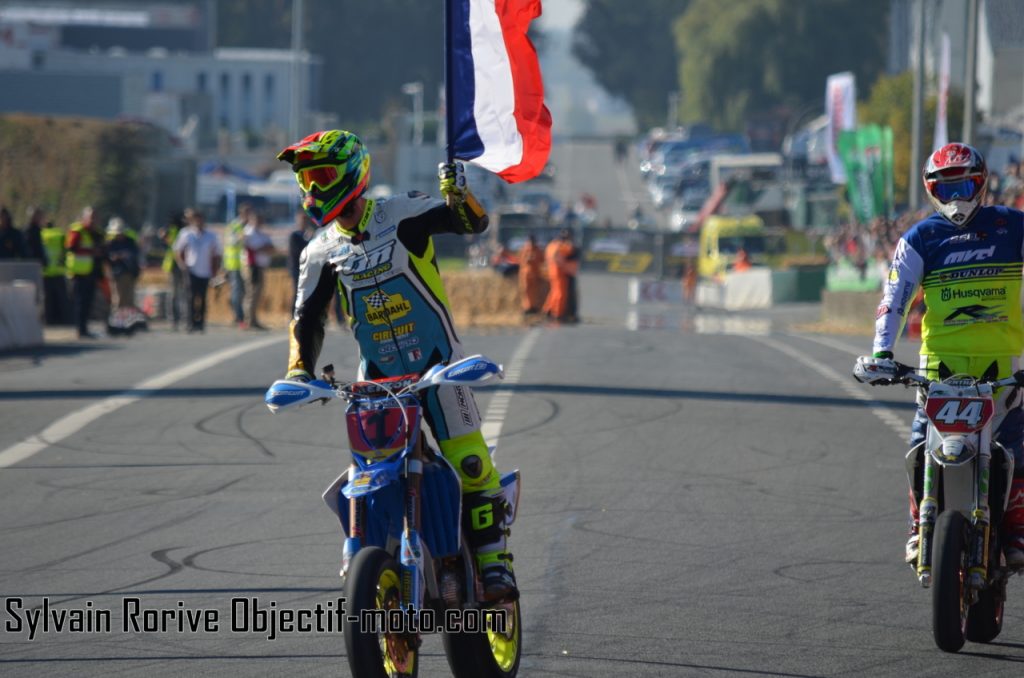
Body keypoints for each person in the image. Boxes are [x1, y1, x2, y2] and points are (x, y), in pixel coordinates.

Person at [276, 129, 517, 601]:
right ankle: (375, 557)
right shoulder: (319, 252)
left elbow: (469, 224)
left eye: (320, 175)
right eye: (305, 180)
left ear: (352, 173)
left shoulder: (401, 213)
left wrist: (459, 193)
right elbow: (306, 320)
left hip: (439, 367)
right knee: (366, 478)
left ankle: (493, 563)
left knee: (470, 461)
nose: (312, 190)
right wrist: (299, 371)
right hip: (378, 384)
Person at [856, 143, 1024, 568]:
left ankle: (1018, 525)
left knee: (1019, 447)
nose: (957, 198)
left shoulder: (1014, 227)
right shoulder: (920, 237)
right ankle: (919, 523)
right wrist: (881, 352)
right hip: (939, 370)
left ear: (982, 183)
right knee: (918, 446)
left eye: (965, 186)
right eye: (946, 189)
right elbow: (894, 298)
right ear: (932, 190)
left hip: (1006, 368)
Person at [174, 208, 221, 333]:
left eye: (201, 220)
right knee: (190, 297)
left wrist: (215, 270)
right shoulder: (186, 234)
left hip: (205, 271)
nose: (199, 222)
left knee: (203, 297)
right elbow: (178, 250)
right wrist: (182, 264)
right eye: (196, 220)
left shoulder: (211, 236)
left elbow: (216, 254)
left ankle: (200, 323)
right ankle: (190, 322)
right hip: (191, 270)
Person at [65, 206, 103, 339]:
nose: (93, 220)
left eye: (95, 217)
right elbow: (70, 248)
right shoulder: (77, 230)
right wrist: (91, 251)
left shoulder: (97, 233)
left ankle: (85, 328)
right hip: (79, 273)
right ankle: (80, 329)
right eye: (91, 217)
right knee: (80, 302)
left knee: (88, 302)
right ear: (84, 218)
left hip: (91, 272)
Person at [242, 211, 274, 330]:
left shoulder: (261, 234)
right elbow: (249, 247)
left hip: (260, 266)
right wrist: (261, 248)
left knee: (257, 293)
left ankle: (253, 319)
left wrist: (263, 248)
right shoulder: (248, 232)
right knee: (251, 293)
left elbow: (270, 248)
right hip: (252, 266)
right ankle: (249, 320)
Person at [223, 202, 251, 328]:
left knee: (246, 292)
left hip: (247, 264)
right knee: (236, 292)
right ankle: (238, 317)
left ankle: (245, 316)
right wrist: (240, 238)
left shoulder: (250, 226)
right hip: (234, 264)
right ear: (242, 214)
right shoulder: (234, 226)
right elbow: (229, 242)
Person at [105, 217, 140, 310]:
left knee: (129, 299)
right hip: (117, 274)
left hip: (129, 273)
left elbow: (134, 255)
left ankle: (129, 320)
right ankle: (117, 320)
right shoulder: (111, 244)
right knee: (117, 299)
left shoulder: (130, 242)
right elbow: (108, 258)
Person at [39, 216, 69, 324]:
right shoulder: (60, 234)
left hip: (45, 272)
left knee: (47, 299)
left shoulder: (41, 234)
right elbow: (65, 250)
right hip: (59, 271)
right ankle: (66, 319)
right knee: (62, 298)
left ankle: (48, 320)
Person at [160, 212, 186, 330]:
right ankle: (174, 318)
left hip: (184, 263)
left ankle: (181, 317)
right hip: (174, 264)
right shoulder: (174, 230)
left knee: (181, 293)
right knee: (175, 293)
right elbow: (164, 237)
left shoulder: (184, 230)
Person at [287, 208, 315, 301]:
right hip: (296, 268)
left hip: (307, 268)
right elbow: (297, 251)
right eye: (302, 219)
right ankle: (294, 314)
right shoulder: (294, 235)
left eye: (306, 219)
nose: (304, 221)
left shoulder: (310, 235)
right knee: (297, 292)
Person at [541, 231, 568, 321]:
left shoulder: (550, 246)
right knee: (560, 293)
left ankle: (547, 309)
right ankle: (557, 313)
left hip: (551, 271)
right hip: (558, 272)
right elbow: (560, 260)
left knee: (553, 292)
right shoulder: (559, 246)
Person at [517, 233, 543, 315]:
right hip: (526, 275)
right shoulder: (525, 249)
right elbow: (522, 260)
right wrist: (529, 258)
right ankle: (527, 307)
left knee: (534, 291)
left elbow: (542, 260)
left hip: (535, 274)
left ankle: (533, 307)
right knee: (526, 291)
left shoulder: (538, 249)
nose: (532, 243)